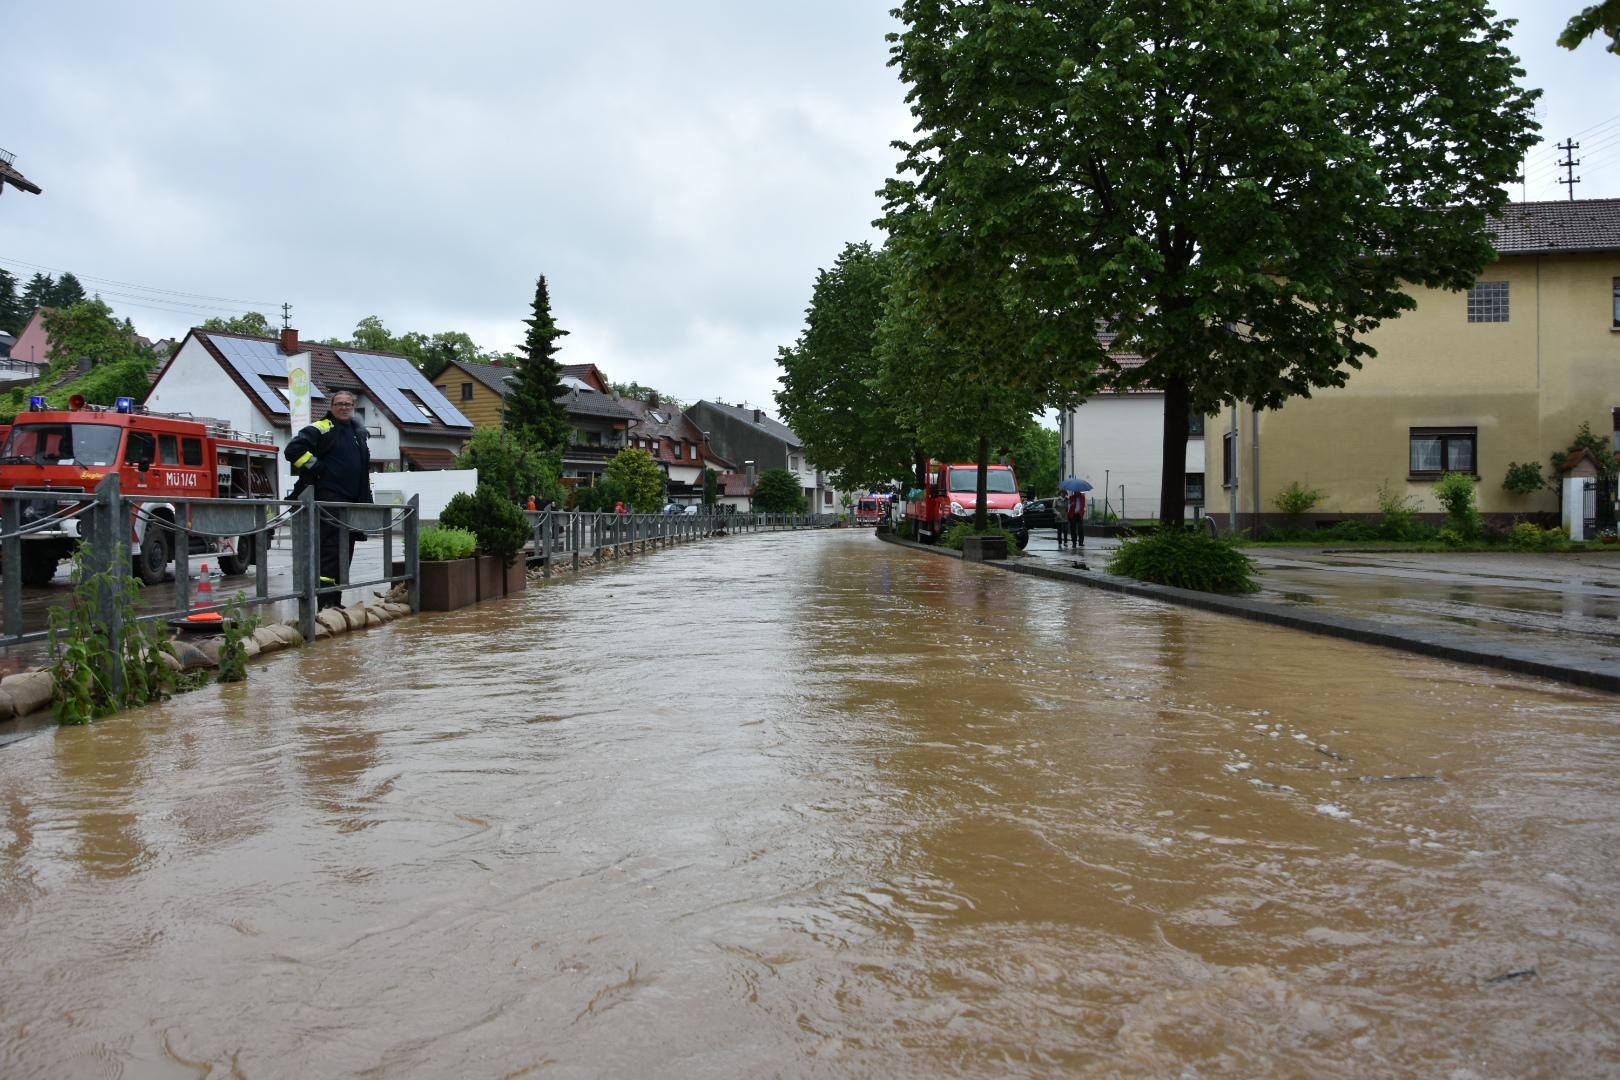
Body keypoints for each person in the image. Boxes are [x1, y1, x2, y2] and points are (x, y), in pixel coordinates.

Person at [284, 391, 372, 608]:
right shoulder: (322, 427)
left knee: (345, 552)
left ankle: (336, 601)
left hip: (353, 502)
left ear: (353, 407)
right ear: (331, 406)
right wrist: (316, 467)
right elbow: (293, 450)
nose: (344, 407)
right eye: (339, 404)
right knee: (330, 552)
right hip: (329, 501)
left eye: (348, 404)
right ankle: (325, 603)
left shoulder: (358, 433)